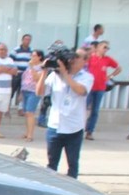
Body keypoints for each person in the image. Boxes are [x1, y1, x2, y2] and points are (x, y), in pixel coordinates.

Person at [38, 48, 93, 178]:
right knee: (51, 164)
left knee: (72, 164)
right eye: (72, 56)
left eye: (77, 56)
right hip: (55, 126)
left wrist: (65, 73)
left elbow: (81, 91)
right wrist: (44, 71)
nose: (73, 59)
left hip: (74, 127)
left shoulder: (87, 77)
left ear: (85, 61)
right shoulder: (55, 76)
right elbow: (39, 92)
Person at [85, 41, 121, 140]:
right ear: (98, 47)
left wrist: (110, 76)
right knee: (83, 108)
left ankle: (90, 131)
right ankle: (79, 129)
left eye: (107, 48)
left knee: (95, 111)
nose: (105, 49)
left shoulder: (107, 59)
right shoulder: (91, 57)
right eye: (104, 47)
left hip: (100, 88)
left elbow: (118, 68)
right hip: (89, 87)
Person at [20, 49, 44, 141]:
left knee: (30, 112)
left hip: (34, 91)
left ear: (39, 57)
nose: (32, 58)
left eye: (34, 56)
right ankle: (27, 132)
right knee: (26, 113)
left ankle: (30, 135)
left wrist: (32, 67)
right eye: (32, 56)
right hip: (25, 90)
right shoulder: (28, 66)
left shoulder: (41, 67)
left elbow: (37, 78)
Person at [11, 34, 33, 111]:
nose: (27, 41)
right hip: (17, 73)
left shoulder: (31, 51)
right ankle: (6, 107)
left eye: (29, 40)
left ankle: (21, 108)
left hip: (26, 75)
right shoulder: (16, 50)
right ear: (22, 40)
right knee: (12, 90)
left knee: (23, 91)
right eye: (26, 39)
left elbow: (32, 62)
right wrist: (14, 69)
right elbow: (10, 60)